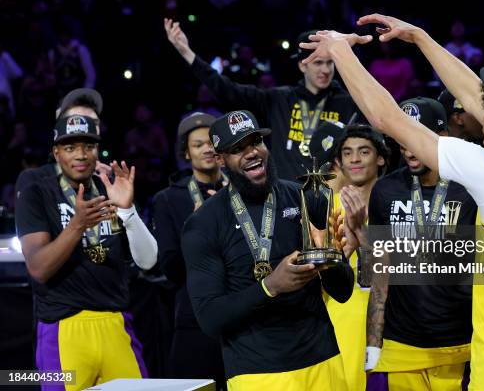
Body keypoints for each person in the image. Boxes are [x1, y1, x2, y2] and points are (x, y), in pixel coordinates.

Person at [299, 14, 484, 390]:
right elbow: (475, 95)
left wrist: (340, 51)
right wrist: (420, 38)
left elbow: (388, 119)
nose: (480, 116)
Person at [181, 110, 355, 390]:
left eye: (255, 143)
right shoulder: (203, 223)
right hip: (257, 373)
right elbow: (210, 318)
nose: (251, 152)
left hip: (323, 361)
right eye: (238, 149)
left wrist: (329, 261)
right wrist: (270, 286)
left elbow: (343, 291)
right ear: (221, 159)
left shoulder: (304, 197)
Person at [15, 114, 157, 391]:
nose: (80, 155)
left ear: (97, 150)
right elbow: (39, 269)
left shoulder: (110, 186)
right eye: (70, 148)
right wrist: (77, 225)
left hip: (116, 323)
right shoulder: (37, 189)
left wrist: (127, 210)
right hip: (62, 328)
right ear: (56, 153)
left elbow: (148, 261)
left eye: (88, 146)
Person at [164, 19, 369, 182]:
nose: (325, 70)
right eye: (317, 63)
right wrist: (187, 53)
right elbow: (227, 89)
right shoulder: (278, 99)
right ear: (302, 65)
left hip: (332, 195)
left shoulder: (348, 102)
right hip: (286, 199)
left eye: (330, 63)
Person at [365, 97, 477, 391]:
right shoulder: (385, 190)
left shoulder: (471, 188)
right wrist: (373, 342)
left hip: (460, 342)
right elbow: (380, 271)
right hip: (402, 344)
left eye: (415, 137)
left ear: (441, 138)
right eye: (402, 138)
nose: (407, 149)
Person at [152, 112, 226, 385]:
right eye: (198, 145)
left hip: (244, 315)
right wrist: (197, 229)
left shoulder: (243, 190)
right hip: (195, 320)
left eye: (211, 142)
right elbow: (171, 269)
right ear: (186, 153)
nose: (207, 148)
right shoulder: (169, 200)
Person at [325, 124, 391, 391]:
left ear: (381, 158)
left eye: (364, 152)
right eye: (348, 153)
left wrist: (361, 232)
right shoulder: (327, 207)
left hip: (385, 320)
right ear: (339, 162)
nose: (355, 159)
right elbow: (323, 273)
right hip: (338, 318)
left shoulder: (394, 204)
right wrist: (346, 248)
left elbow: (392, 272)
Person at [15, 88, 110, 198]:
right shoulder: (35, 180)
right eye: (79, 121)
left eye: (94, 123)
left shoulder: (109, 181)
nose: (88, 128)